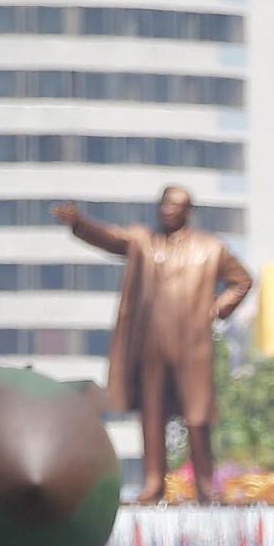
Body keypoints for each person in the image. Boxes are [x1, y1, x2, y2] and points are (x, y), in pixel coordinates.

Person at [57, 186, 253, 505]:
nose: (168, 210)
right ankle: (153, 483)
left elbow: (242, 280)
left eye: (175, 206)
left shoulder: (210, 247)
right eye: (164, 204)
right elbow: (111, 237)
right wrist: (80, 223)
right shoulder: (143, 242)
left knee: (197, 416)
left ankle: (206, 485)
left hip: (192, 345)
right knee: (152, 414)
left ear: (189, 211)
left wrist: (217, 309)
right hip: (151, 344)